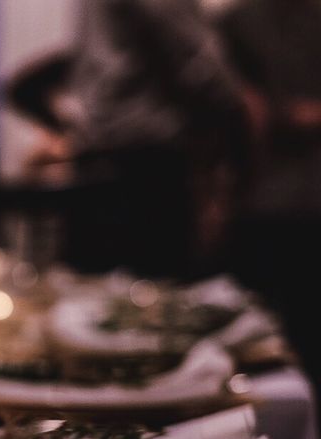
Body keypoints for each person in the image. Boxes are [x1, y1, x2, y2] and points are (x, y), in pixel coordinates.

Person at [59, 0, 251, 280]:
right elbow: (197, 66)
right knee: (157, 302)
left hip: (104, 153)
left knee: (100, 302)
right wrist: (242, 120)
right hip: (146, 163)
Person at [219, 0, 321, 390]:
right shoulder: (239, 22)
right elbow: (243, 109)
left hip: (276, 201)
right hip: (263, 200)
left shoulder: (240, 21)